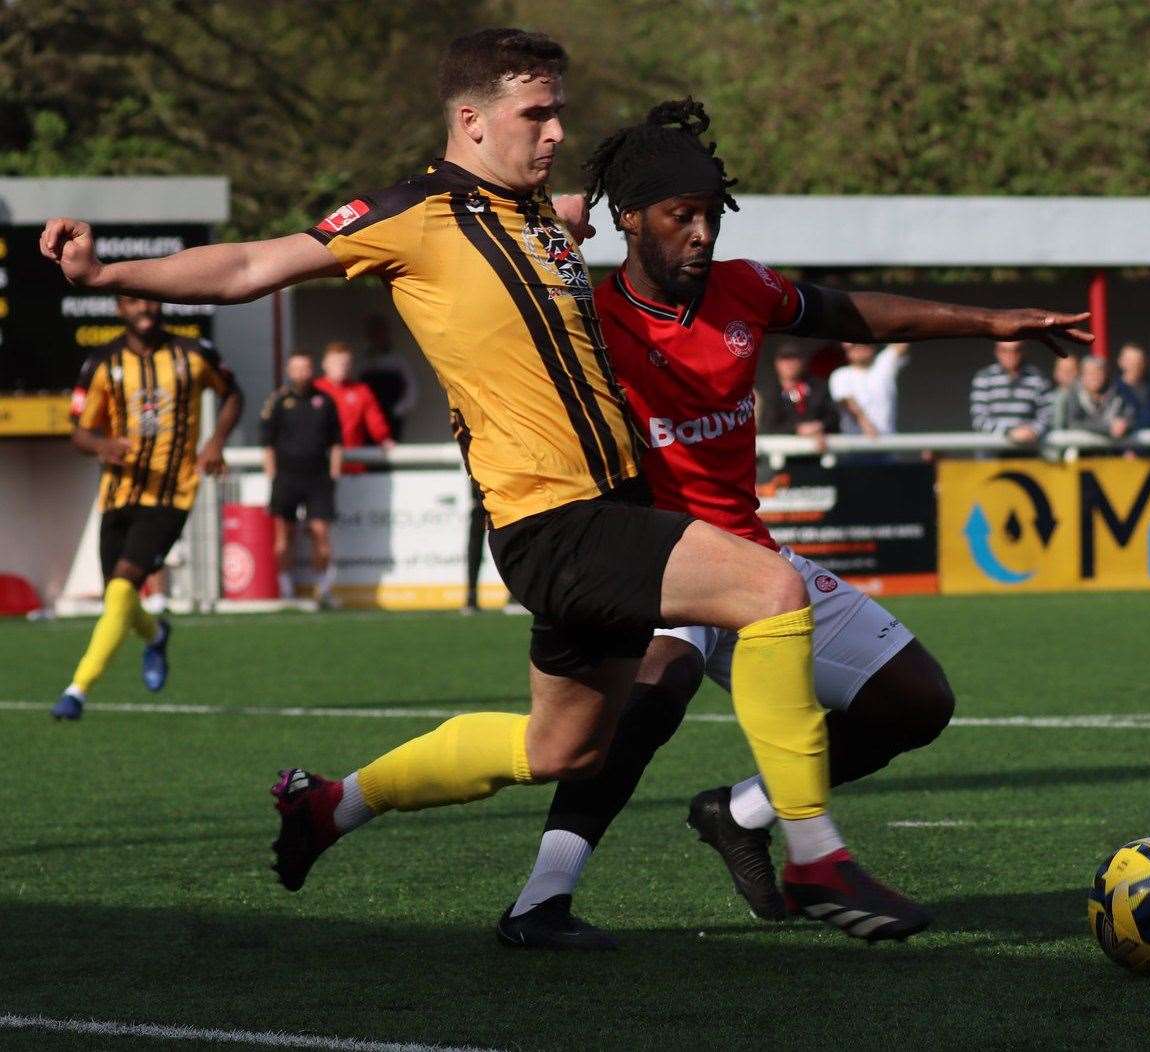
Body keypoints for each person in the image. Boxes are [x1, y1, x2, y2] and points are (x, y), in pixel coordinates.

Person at [40, 31, 1088, 944]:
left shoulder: (545, 218)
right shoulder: (410, 217)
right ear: (470, 118)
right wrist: (102, 274)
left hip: (593, 523)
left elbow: (625, 199)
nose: (552, 133)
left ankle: (330, 805)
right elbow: (247, 269)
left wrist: (636, 194)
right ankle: (811, 854)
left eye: (559, 114)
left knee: (562, 744)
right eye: (534, 114)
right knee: (766, 593)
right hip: (555, 515)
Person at [501, 99, 1094, 948]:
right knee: (646, 704)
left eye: (711, 215)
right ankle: (539, 900)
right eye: (681, 217)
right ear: (628, 220)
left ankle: (738, 812)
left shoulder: (746, 288)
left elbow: (851, 313)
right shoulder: (589, 325)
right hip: (658, 562)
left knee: (915, 701)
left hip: (752, 567)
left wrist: (991, 322)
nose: (701, 234)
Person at [51, 296, 242, 720]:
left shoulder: (194, 353)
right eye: (135, 301)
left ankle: (77, 690)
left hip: (172, 495)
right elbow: (79, 433)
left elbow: (233, 395)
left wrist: (215, 442)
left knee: (122, 587)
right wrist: (103, 445)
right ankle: (156, 634)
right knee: (117, 599)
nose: (145, 308)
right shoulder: (101, 363)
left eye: (151, 300)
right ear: (121, 309)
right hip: (119, 494)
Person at [261, 353, 343, 603]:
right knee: (284, 533)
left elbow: (337, 442)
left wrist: (334, 473)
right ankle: (286, 589)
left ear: (312, 369)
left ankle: (323, 589)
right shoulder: (277, 401)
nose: (300, 372)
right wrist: (272, 475)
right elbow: (267, 443)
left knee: (320, 531)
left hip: (317, 477)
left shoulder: (325, 401)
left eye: (305, 367)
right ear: (288, 370)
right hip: (286, 477)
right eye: (296, 368)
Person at [313, 341, 394, 474]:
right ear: (325, 364)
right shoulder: (314, 391)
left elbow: (375, 420)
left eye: (345, 363)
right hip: (319, 466)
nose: (341, 367)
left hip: (353, 465)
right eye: (336, 363)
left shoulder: (361, 391)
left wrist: (384, 438)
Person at [969, 340, 1054, 446]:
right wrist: (1008, 432)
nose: (1011, 355)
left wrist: (1033, 430)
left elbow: (1048, 415)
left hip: (1027, 453)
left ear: (1023, 351)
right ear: (997, 351)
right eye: (1005, 350)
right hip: (993, 455)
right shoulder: (984, 378)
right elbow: (979, 419)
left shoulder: (1038, 378)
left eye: (1016, 350)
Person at [757, 344, 839, 444]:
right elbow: (767, 426)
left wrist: (819, 426)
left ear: (803, 362)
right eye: (785, 358)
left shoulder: (818, 387)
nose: (790, 364)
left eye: (795, 358)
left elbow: (833, 417)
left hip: (817, 451)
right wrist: (797, 429)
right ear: (777, 363)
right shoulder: (770, 391)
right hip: (782, 452)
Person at [827, 341, 910, 437]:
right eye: (854, 345)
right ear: (846, 350)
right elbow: (847, 402)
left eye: (865, 343)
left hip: (887, 443)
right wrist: (865, 424)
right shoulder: (840, 375)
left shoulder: (883, 365)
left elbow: (902, 343)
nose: (860, 348)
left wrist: (876, 330)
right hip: (854, 445)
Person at [359, 314, 419, 442]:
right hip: (368, 419)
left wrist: (397, 411)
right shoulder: (363, 361)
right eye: (374, 333)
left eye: (380, 332)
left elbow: (411, 390)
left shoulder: (397, 360)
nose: (377, 337)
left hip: (391, 418)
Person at [1053, 353, 1134, 446]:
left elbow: (1132, 417)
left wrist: (1125, 425)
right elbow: (1073, 423)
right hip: (1080, 452)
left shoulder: (1120, 393)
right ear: (1082, 376)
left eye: (1098, 372)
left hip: (1113, 453)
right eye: (1090, 373)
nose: (1095, 377)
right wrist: (1107, 428)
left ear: (1106, 374)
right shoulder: (1072, 395)